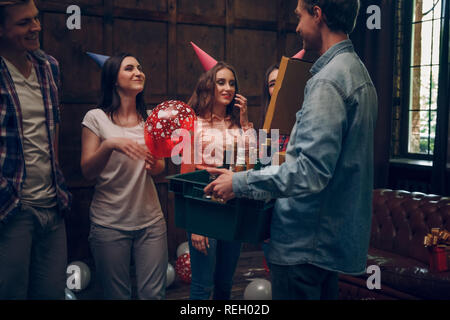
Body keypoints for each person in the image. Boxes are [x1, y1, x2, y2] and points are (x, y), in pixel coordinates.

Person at [205, 0, 378, 300]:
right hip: (327, 243)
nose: (297, 26)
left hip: (304, 247)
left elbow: (308, 172)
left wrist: (237, 183)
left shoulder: (328, 81)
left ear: (317, 13)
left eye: (299, 16)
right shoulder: (358, 73)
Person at [80, 53, 168, 300]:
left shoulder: (151, 119)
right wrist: (110, 145)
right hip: (109, 223)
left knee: (154, 296)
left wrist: (154, 166)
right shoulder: (95, 118)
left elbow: (159, 166)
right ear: (114, 80)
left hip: (150, 221)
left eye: (139, 67)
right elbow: (87, 171)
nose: (138, 72)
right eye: (129, 68)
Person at [0, 0, 71, 299]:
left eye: (37, 19)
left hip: (52, 205)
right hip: (10, 207)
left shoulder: (48, 66)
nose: (36, 27)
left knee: (51, 293)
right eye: (24, 22)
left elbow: (52, 129)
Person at [182, 61, 253, 300]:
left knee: (225, 284)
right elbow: (186, 176)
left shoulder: (237, 125)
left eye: (232, 83)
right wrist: (195, 226)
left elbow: (252, 163)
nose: (228, 87)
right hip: (205, 209)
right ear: (209, 86)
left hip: (233, 209)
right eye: (221, 82)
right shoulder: (193, 123)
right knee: (203, 286)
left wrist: (245, 124)